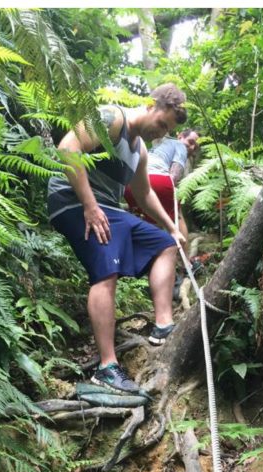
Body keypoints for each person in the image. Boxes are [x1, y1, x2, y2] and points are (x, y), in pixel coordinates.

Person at [48, 84, 188, 395]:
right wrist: (89, 205)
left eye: (168, 131)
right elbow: (68, 148)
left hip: (108, 210)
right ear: (152, 105)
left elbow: (144, 193)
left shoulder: (139, 149)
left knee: (164, 246)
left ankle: (163, 324)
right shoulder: (112, 118)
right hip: (72, 201)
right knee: (106, 272)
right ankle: (106, 368)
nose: (161, 133)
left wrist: (171, 227)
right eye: (162, 123)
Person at [125, 128, 200, 252]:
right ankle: (186, 262)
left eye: (195, 147)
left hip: (131, 185)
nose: (192, 148)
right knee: (178, 215)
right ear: (180, 136)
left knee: (146, 219)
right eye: (191, 142)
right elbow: (174, 175)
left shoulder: (154, 148)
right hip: (158, 181)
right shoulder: (179, 145)